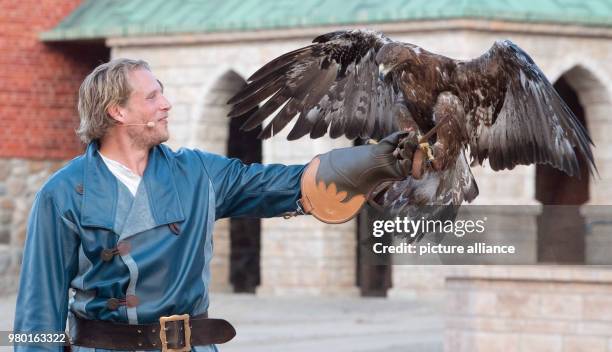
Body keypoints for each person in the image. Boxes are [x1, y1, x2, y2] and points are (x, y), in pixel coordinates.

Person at [13, 58, 416, 351]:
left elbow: (278, 183)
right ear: (117, 111)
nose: (166, 104)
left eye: (163, 93)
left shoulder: (198, 173)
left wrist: (371, 163)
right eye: (152, 97)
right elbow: (37, 312)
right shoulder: (63, 193)